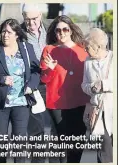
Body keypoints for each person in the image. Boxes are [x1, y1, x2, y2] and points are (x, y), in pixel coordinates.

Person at [0, 18, 40, 163]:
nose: (5, 35)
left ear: (17, 34)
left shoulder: (26, 48)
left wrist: (31, 85)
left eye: (9, 32)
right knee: (0, 141)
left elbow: (36, 71)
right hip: (0, 104)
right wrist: (0, 79)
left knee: (20, 141)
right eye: (3, 31)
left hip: (21, 102)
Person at [40, 15, 90, 163]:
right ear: (54, 33)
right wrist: (50, 70)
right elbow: (44, 79)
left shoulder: (82, 50)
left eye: (65, 29)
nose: (62, 33)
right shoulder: (49, 49)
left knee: (78, 139)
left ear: (71, 30)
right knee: (62, 141)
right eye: (58, 30)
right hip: (57, 103)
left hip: (80, 101)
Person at [21, 4, 53, 163]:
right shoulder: (18, 33)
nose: (31, 23)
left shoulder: (53, 27)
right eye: (27, 19)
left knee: (58, 127)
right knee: (35, 130)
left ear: (41, 15)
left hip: (55, 83)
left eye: (34, 18)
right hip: (33, 85)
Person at [81, 28, 113, 163]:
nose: (85, 50)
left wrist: (104, 85)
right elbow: (84, 85)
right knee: (104, 152)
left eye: (87, 47)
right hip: (98, 113)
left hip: (114, 110)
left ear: (98, 46)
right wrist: (93, 88)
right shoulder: (88, 62)